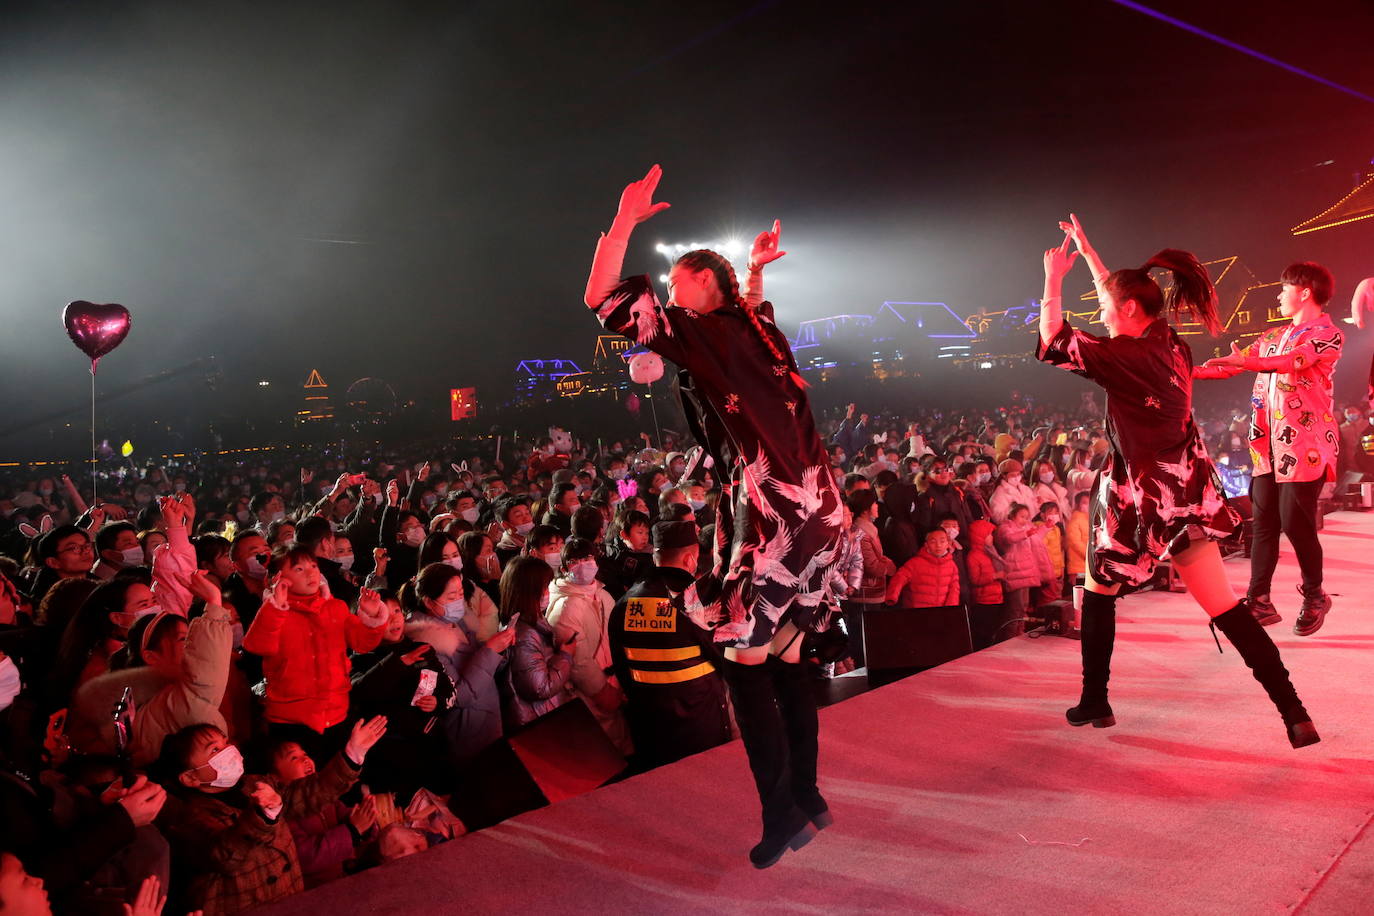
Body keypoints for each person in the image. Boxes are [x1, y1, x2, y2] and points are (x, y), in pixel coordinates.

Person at [585, 166, 843, 866]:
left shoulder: (703, 333)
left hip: (771, 516)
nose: (670, 295)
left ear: (706, 287)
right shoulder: (755, 328)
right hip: (822, 510)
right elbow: (754, 310)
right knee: (789, 653)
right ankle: (809, 799)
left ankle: (781, 814)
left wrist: (623, 222)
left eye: (679, 284)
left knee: (741, 656)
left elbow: (600, 297)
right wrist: (755, 272)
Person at [1041, 214, 1317, 747]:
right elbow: (1123, 296)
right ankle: (1294, 712)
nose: (1100, 315)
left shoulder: (1123, 357)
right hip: (1185, 494)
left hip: (1137, 498)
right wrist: (1093, 257)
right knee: (1223, 609)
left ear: (1126, 312)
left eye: (1104, 309)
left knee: (1098, 593)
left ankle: (1095, 698)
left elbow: (1054, 339)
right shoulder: (1172, 344)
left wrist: (1054, 277)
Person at [1197, 262, 1343, 634]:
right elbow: (1232, 365)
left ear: (1305, 291)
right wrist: (1184, 370)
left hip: (1306, 447)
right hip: (1267, 447)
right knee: (1262, 525)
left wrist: (1247, 362)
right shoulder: (1272, 335)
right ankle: (1258, 599)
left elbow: (1293, 361)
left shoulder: (1328, 334)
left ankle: (1314, 595)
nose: (1278, 296)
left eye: (1283, 289)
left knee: (1296, 523)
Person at [240, 547, 389, 760]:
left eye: (313, 566)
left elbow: (363, 644)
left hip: (336, 712)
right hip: (289, 719)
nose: (311, 573)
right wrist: (275, 608)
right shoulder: (274, 612)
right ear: (279, 578)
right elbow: (256, 645)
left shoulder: (335, 607)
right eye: (299, 569)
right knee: (300, 781)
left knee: (337, 774)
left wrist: (371, 615)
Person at [607, 521, 731, 772]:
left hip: (648, 724)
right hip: (700, 721)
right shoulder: (694, 603)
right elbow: (723, 658)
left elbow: (621, 666)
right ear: (689, 559)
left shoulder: (625, 603)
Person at [546, 537, 630, 754]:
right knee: (598, 750)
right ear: (565, 568)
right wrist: (601, 691)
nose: (584, 563)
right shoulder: (565, 607)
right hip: (589, 693)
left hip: (614, 681)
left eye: (588, 557)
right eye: (576, 560)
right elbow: (577, 661)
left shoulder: (603, 595)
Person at [499, 556, 574, 730]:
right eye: (545, 588)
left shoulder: (530, 622)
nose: (548, 593)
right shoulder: (523, 635)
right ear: (529, 592)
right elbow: (539, 687)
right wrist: (565, 655)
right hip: (537, 719)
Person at [884, 528, 959, 608]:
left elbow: (954, 589)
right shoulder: (914, 563)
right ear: (926, 544)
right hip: (917, 612)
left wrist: (951, 608)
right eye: (933, 542)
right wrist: (892, 596)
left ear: (948, 544)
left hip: (940, 613)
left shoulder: (951, 565)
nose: (938, 545)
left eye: (942, 541)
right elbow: (899, 578)